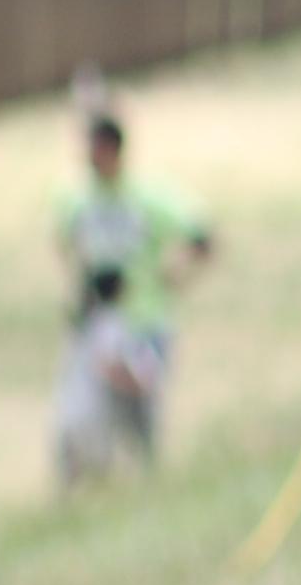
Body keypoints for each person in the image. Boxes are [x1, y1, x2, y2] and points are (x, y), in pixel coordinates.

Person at [50, 105, 213, 486]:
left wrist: (176, 277)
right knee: (80, 418)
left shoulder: (147, 197)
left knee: (141, 421)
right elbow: (64, 242)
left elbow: (203, 239)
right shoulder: (76, 200)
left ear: (113, 149)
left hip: (145, 323)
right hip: (97, 325)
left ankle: (149, 485)